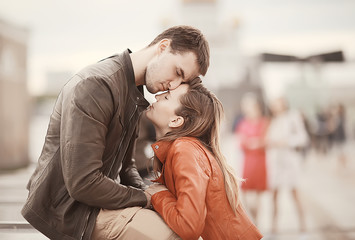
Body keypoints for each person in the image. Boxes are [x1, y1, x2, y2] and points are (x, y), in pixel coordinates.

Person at [21, 25, 210, 240]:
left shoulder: (132, 89)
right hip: (69, 212)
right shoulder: (98, 86)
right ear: (163, 47)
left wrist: (151, 195)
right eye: (177, 72)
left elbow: (126, 166)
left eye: (181, 81)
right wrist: (146, 198)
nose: (173, 85)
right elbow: (83, 183)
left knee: (183, 229)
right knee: (173, 237)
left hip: (93, 204)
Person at [144, 79, 263, 239]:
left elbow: (189, 226)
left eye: (166, 97)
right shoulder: (184, 148)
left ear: (176, 120)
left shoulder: (184, 149)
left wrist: (158, 195)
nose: (158, 96)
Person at [266, 97, 309, 234]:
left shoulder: (293, 117)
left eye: (277, 103)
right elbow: (269, 140)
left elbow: (303, 138)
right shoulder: (273, 121)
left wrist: (286, 142)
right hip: (276, 162)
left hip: (289, 161)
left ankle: (303, 227)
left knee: (295, 193)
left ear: (284, 104)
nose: (274, 106)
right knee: (274, 195)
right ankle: (274, 228)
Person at [235, 93, 268, 225]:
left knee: (258, 195)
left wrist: (254, 142)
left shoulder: (264, 122)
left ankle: (256, 222)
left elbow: (265, 141)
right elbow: (242, 142)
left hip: (260, 160)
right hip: (248, 161)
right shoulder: (242, 123)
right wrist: (254, 142)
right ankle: (253, 219)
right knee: (246, 194)